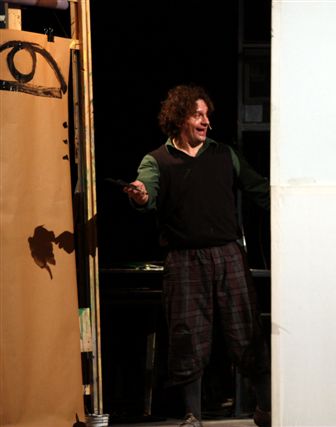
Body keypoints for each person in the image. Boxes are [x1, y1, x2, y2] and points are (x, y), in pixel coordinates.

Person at [124, 84, 271, 427]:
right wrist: (140, 196)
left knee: (245, 330)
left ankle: (266, 407)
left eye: (207, 115)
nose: (206, 122)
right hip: (184, 259)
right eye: (198, 115)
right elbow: (146, 192)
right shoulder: (157, 160)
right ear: (179, 119)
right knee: (188, 334)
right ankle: (193, 415)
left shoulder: (224, 154)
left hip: (228, 255)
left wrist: (296, 203)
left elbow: (259, 189)